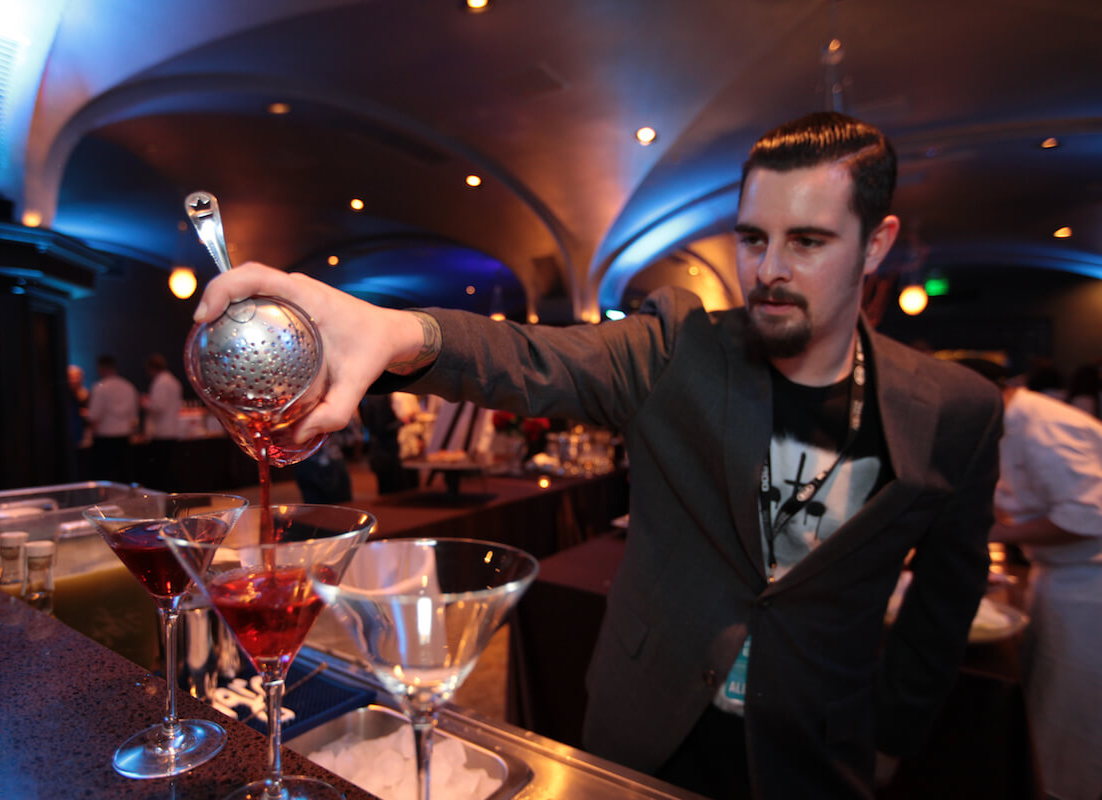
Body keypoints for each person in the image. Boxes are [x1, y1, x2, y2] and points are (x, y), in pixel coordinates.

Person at [192, 112, 1003, 800]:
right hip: (647, 733)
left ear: (876, 243)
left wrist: (891, 739)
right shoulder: (679, 348)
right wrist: (401, 332)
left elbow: (945, 601)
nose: (769, 270)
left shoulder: (954, 412)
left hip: (815, 755)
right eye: (754, 238)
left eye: (809, 241)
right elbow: (534, 359)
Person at [960, 358, 1102, 800]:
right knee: (1048, 706)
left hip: (1088, 587)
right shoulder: (1017, 420)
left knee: (1073, 717)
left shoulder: (1045, 425)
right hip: (1060, 577)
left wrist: (992, 532)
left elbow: (1089, 516)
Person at [88, 355, 139, 483]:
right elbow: (133, 417)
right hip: (124, 438)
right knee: (124, 477)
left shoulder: (100, 387)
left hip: (105, 438)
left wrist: (90, 434)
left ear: (101, 369)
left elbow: (94, 415)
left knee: (106, 477)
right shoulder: (128, 386)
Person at [140, 353, 183, 489]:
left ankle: (162, 497)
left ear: (151, 368)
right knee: (170, 469)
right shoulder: (174, 381)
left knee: (161, 471)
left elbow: (159, 406)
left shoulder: (160, 382)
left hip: (161, 432)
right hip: (173, 430)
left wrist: (144, 403)